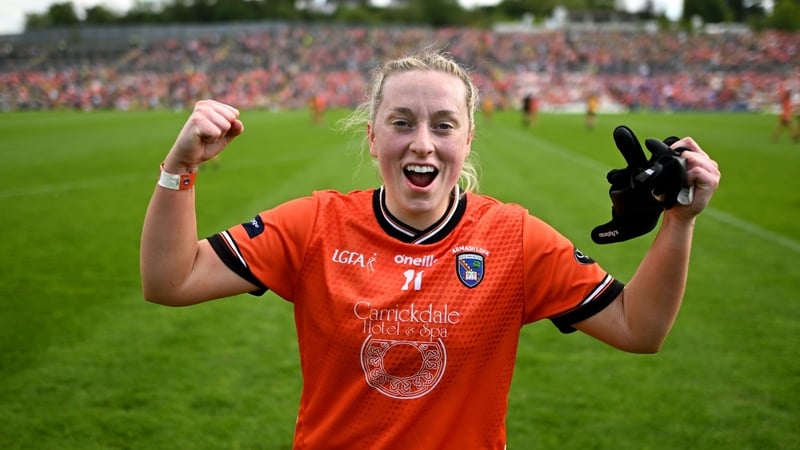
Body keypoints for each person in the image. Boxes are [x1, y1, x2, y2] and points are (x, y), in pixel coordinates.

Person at [140, 49, 721, 449]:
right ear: (372, 137)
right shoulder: (315, 224)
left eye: (444, 125)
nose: (423, 143)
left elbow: (638, 330)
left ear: (467, 139)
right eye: (401, 122)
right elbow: (171, 281)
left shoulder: (514, 239)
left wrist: (679, 221)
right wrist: (180, 166)